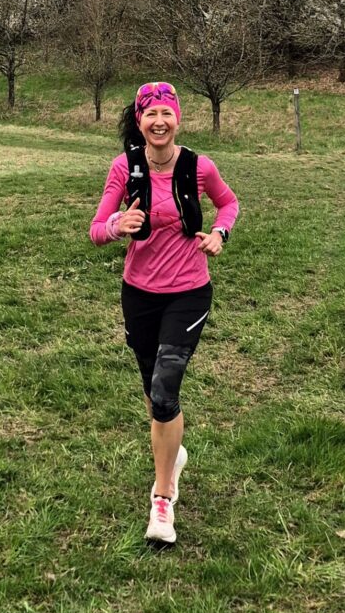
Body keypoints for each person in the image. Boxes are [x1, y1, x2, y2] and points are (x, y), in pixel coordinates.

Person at [89, 81, 238, 545]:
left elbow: (229, 203)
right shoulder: (124, 168)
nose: (159, 122)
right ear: (140, 122)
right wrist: (118, 225)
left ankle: (162, 497)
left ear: (177, 120)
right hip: (139, 294)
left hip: (189, 292)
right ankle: (172, 455)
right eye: (150, 114)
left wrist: (220, 233)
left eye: (166, 114)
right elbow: (96, 229)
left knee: (164, 387)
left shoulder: (199, 166)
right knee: (155, 394)